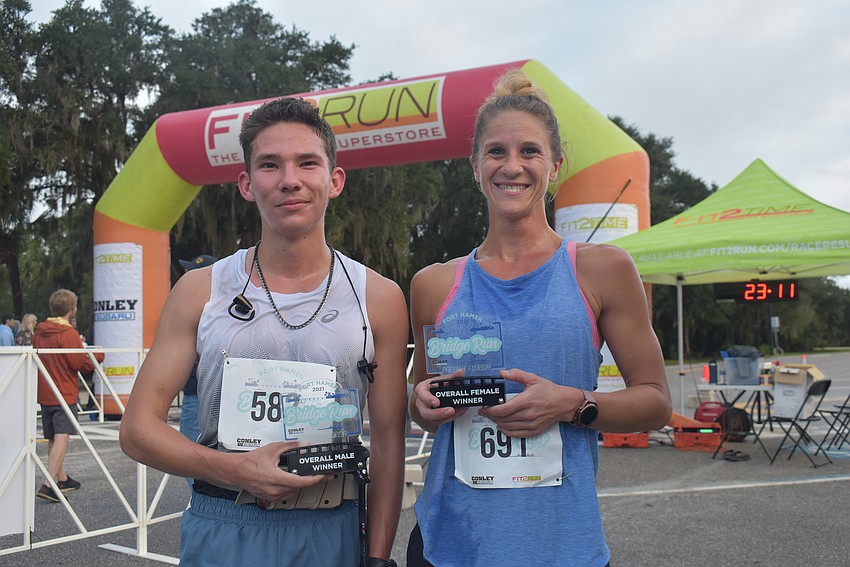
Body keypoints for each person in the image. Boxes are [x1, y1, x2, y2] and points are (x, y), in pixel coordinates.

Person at [119, 97, 408, 567]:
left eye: (307, 163)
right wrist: (235, 469)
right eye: (270, 165)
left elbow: (389, 443)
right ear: (247, 184)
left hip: (331, 530)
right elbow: (137, 430)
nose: (289, 179)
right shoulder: (200, 290)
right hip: (224, 524)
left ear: (335, 180)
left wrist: (377, 559)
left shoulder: (379, 297)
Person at [407, 70, 672, 567]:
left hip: (561, 545)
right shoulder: (433, 284)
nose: (513, 166)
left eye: (530, 151)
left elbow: (656, 402)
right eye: (496, 152)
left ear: (555, 165)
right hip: (450, 544)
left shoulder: (602, 269)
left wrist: (570, 404)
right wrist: (423, 403)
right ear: (475, 166)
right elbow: (423, 407)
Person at [33, 289, 105, 502]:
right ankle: (48, 484)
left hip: (45, 391)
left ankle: (61, 478)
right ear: (72, 309)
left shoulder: (39, 332)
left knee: (53, 436)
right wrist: (97, 356)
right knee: (62, 435)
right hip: (64, 391)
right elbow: (78, 363)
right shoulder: (69, 333)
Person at [176, 254, 218, 474]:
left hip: (197, 394)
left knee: (192, 462)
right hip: (215, 393)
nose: (186, 276)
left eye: (192, 272)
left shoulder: (194, 308)